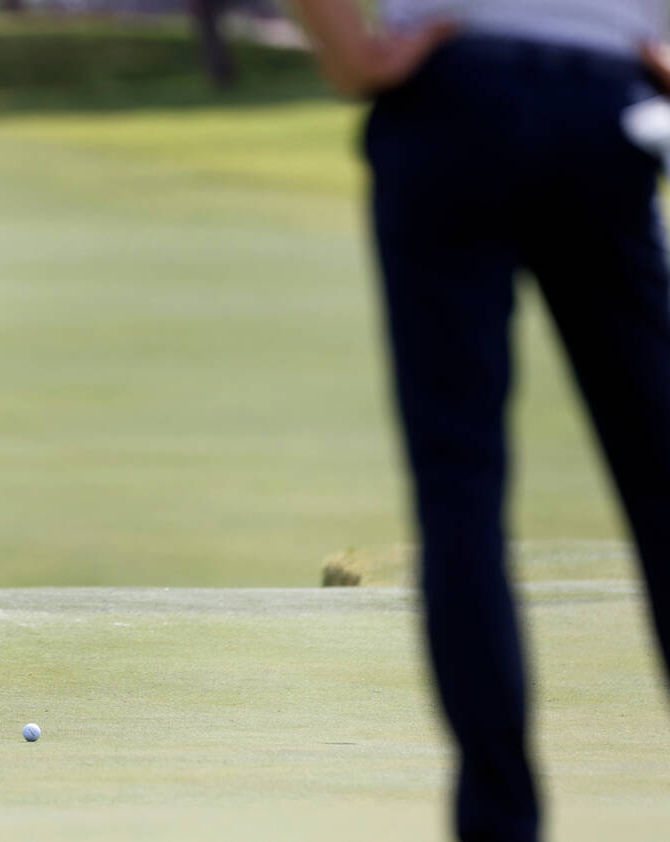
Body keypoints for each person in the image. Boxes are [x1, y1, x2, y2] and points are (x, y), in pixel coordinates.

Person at [291, 2, 670, 839]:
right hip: (604, 108)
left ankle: (499, 826)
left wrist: (347, 51)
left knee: (459, 487)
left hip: (449, 100)